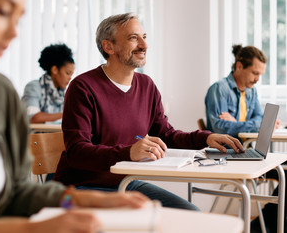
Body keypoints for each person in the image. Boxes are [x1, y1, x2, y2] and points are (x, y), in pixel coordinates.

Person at [0, 0, 148, 232]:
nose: (14, 32)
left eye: (19, 19)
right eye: (3, 11)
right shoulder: (65, 88)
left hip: (105, 180)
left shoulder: (0, 92)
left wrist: (80, 199)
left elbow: (17, 194)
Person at [53, 12, 244, 211]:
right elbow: (76, 152)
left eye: (144, 38)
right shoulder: (83, 87)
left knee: (190, 213)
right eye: (133, 38)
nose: (144, 46)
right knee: (155, 219)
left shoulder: (146, 85)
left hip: (126, 183)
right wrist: (129, 152)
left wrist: (206, 138)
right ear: (108, 46)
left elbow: (165, 135)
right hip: (82, 187)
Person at [205, 45, 284, 233]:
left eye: (260, 74)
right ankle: (266, 226)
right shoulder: (219, 89)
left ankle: (267, 224)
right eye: (255, 73)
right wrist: (251, 124)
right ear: (239, 66)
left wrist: (238, 123)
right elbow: (218, 128)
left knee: (285, 173)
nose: (257, 79)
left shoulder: (251, 91)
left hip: (244, 151)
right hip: (226, 155)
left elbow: (259, 118)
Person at [22, 43, 75, 123]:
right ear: (54, 70)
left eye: (71, 74)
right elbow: (33, 117)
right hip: (35, 135)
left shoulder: (65, 93)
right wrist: (67, 114)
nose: (70, 78)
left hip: (56, 135)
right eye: (67, 73)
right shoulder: (33, 87)